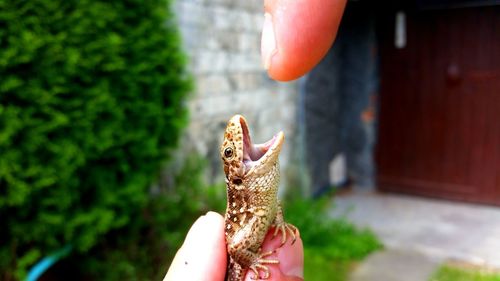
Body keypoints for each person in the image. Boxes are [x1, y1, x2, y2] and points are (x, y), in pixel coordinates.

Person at [165, 0, 348, 279]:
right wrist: (256, 257)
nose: (236, 144)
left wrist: (279, 222)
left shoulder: (257, 204)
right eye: (230, 152)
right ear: (237, 177)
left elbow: (272, 209)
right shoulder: (250, 208)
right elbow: (239, 248)